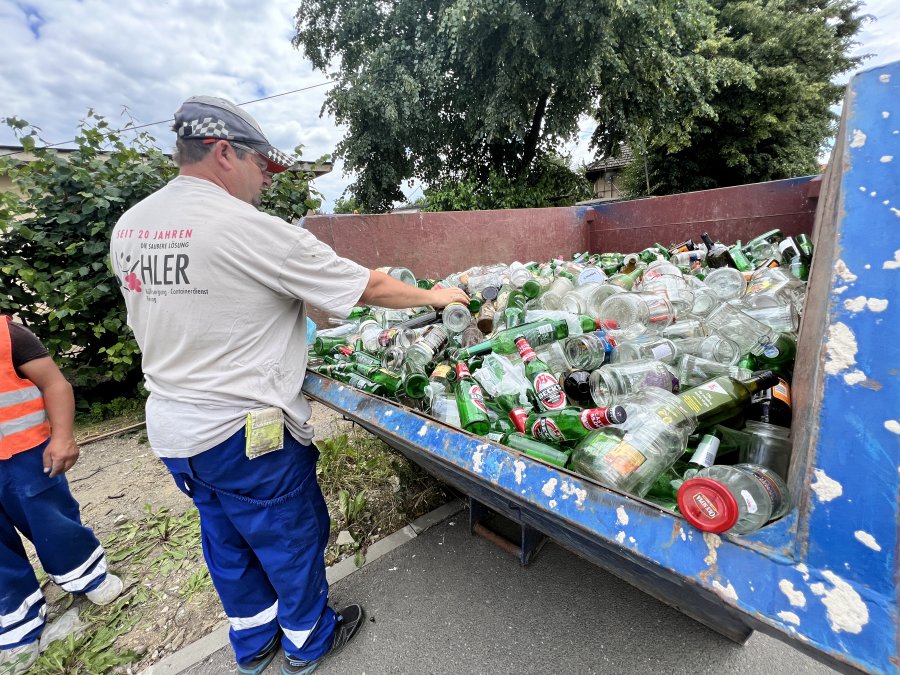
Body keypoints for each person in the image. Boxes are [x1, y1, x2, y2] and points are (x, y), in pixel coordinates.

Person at [109, 96, 469, 675]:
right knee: (288, 534)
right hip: (243, 429)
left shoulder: (131, 226)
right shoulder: (248, 230)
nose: (268, 179)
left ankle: (253, 641)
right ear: (223, 152)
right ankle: (308, 639)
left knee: (226, 537)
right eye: (262, 165)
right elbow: (369, 288)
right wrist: (436, 295)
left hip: (174, 429)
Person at [0, 316, 123, 675]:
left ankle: (87, 576)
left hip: (26, 457)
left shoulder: (9, 336)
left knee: (54, 524)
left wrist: (63, 436)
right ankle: (16, 623)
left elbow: (54, 383)